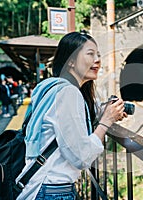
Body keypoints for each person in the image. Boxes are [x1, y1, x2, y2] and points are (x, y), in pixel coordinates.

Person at [15, 31, 127, 199]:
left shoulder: (48, 87)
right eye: (90, 54)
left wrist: (102, 111)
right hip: (52, 190)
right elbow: (81, 157)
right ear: (71, 61)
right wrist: (106, 121)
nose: (97, 60)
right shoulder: (68, 93)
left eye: (98, 55)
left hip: (38, 186)